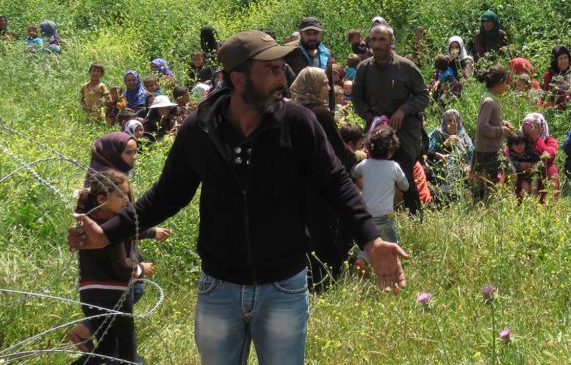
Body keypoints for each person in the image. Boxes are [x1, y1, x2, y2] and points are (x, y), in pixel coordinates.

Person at [68, 30, 409, 365]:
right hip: (220, 289)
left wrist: (372, 241)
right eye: (271, 70)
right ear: (239, 79)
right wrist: (109, 232)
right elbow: (167, 195)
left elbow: (336, 183)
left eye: (282, 69)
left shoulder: (297, 123)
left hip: (284, 288)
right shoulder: (200, 129)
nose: (282, 78)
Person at [289, 66, 358, 291]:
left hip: (296, 183)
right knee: (325, 232)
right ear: (314, 87)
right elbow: (336, 150)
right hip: (319, 182)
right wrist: (358, 156)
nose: (329, 87)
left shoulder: (290, 110)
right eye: (325, 84)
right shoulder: (319, 113)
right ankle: (326, 281)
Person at [72, 170, 151, 364]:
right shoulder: (112, 228)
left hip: (89, 295)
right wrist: (141, 268)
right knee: (127, 350)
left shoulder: (89, 226)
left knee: (105, 348)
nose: (127, 200)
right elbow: (122, 268)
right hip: (115, 297)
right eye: (122, 195)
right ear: (101, 199)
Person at [352, 24, 430, 215]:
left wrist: (403, 110)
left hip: (404, 130)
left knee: (404, 174)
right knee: (376, 175)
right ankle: (380, 220)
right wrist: (373, 119)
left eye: (382, 40)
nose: (377, 44)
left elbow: (423, 96)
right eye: (374, 40)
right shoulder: (364, 68)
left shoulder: (406, 67)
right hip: (377, 131)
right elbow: (357, 99)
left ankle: (415, 218)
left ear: (391, 42)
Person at [351, 126, 409, 274]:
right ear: (390, 152)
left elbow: (353, 172)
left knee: (371, 241)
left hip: (366, 213)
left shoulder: (364, 164)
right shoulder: (394, 166)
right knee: (390, 242)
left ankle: (361, 260)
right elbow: (406, 186)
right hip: (385, 214)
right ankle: (391, 270)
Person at [472, 66, 514, 201]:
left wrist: (503, 123)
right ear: (500, 82)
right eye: (506, 83)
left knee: (492, 182)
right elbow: (483, 127)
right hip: (488, 151)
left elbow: (490, 121)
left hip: (492, 148)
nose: (507, 86)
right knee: (492, 182)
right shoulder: (489, 101)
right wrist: (502, 130)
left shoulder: (492, 98)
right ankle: (493, 205)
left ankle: (497, 203)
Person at [426, 109, 473, 202]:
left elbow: (473, 154)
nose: (452, 123)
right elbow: (428, 153)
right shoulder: (437, 134)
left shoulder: (464, 137)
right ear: (444, 122)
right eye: (449, 120)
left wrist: (469, 165)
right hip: (440, 171)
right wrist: (445, 145)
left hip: (463, 171)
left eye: (455, 121)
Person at [521, 112, 560, 203]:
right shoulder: (521, 141)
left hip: (544, 177)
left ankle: (549, 200)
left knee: (551, 169)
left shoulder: (549, 140)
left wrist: (536, 138)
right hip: (526, 177)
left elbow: (549, 156)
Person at [506, 130, 540, 200]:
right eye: (516, 144)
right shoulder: (512, 156)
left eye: (521, 144)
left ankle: (533, 202)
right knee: (525, 188)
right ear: (511, 146)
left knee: (534, 187)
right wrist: (520, 165)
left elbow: (537, 158)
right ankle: (524, 203)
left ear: (525, 144)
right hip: (522, 177)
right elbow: (512, 164)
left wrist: (535, 165)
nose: (519, 146)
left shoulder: (529, 153)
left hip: (532, 175)